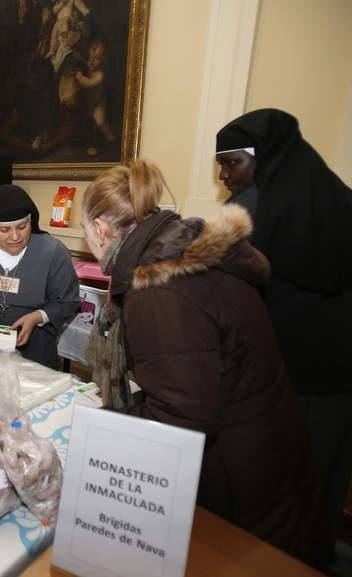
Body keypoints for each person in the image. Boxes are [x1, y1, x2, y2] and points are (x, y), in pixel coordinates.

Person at [80, 160, 320, 561]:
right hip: (265, 442)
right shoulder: (177, 250)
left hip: (241, 475)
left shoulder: (157, 288)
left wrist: (105, 432)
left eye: (86, 233)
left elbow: (181, 417)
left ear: (102, 230)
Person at [216, 108, 352, 570]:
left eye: (232, 162)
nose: (224, 174)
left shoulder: (261, 208)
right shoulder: (334, 199)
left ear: (264, 158)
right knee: (316, 483)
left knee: (287, 484)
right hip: (322, 378)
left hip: (307, 375)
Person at [0, 184, 79, 369]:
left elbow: (67, 301)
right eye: (4, 230)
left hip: (35, 346)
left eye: (22, 227)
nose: (15, 236)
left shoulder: (53, 252)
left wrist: (37, 317)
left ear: (31, 222)